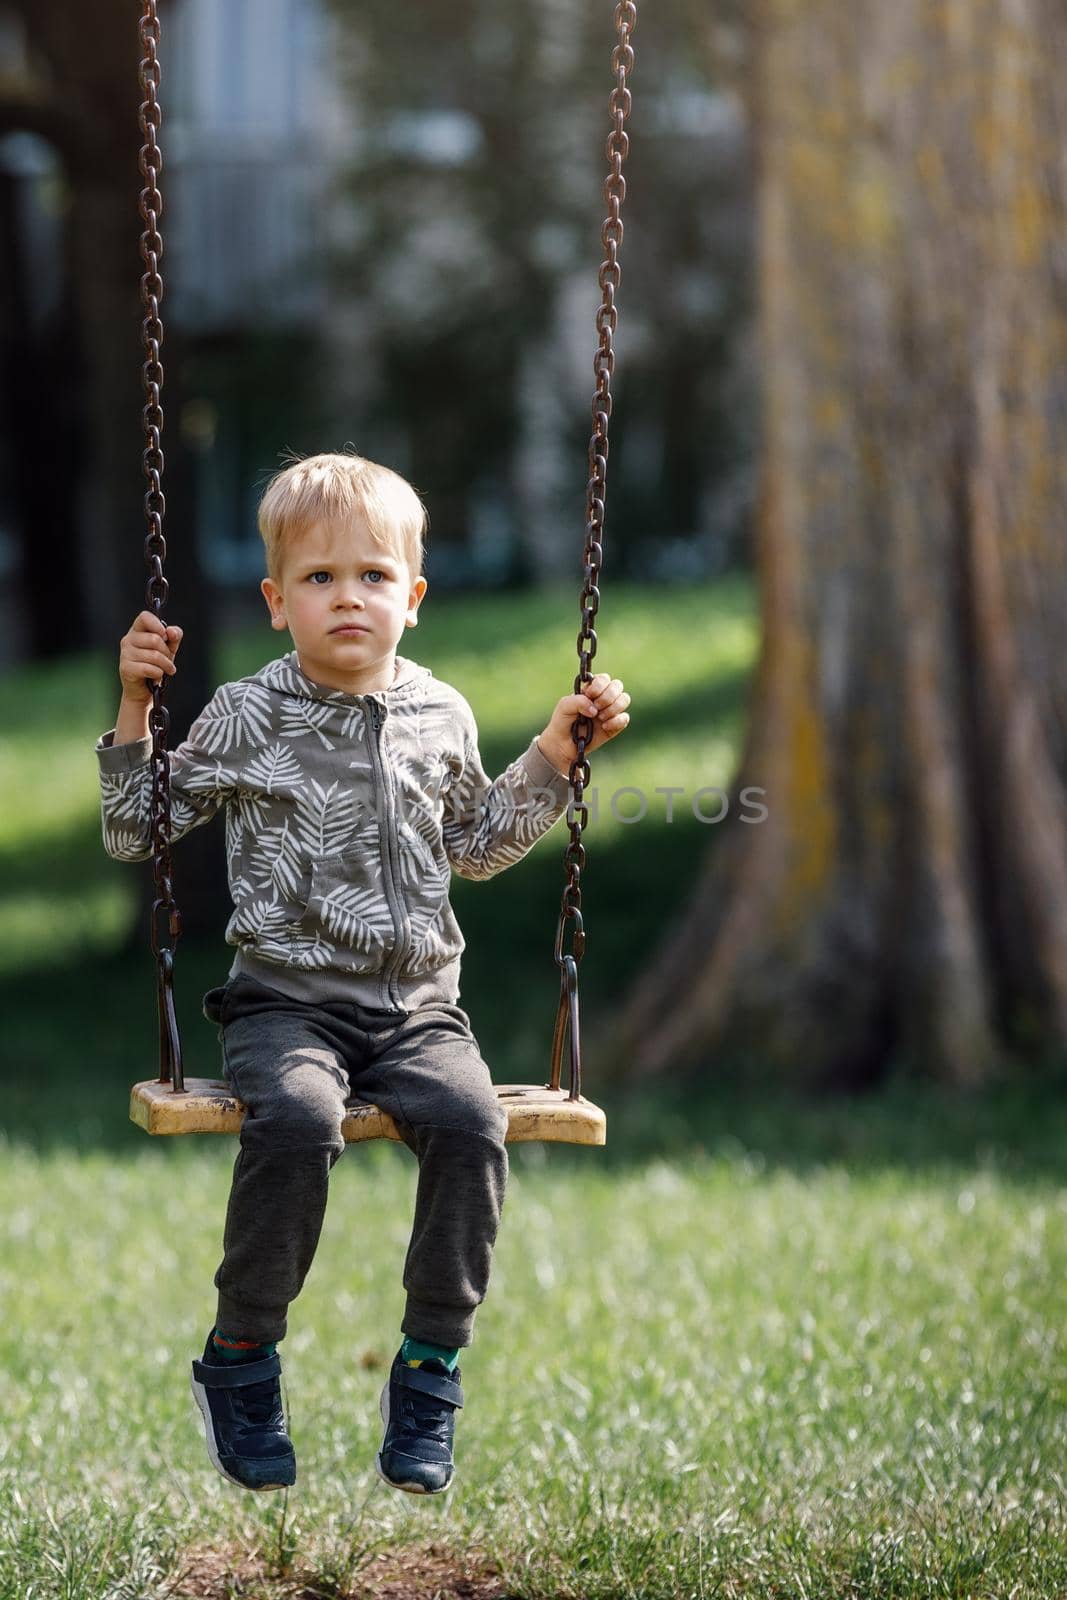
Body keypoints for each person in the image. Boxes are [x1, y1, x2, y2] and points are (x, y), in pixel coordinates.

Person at [95, 451, 631, 1496]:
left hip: (419, 1011)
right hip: (282, 1006)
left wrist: (551, 759)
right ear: (275, 601)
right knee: (295, 1121)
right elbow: (132, 828)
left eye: (374, 576)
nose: (349, 596)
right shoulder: (250, 712)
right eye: (320, 577)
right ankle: (241, 1358)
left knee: (472, 1125)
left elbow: (475, 843)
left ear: (413, 599)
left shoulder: (440, 712)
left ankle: (430, 1367)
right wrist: (132, 706)